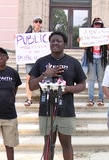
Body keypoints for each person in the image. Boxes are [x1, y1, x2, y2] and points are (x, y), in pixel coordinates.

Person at [29, 31, 86, 160]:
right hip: (46, 110)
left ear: (64, 44)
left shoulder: (73, 62)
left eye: (58, 41)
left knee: (66, 145)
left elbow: (82, 85)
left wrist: (67, 89)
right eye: (52, 41)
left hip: (66, 111)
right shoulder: (41, 62)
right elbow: (31, 85)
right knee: (48, 144)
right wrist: (45, 74)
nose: (55, 43)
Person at [80, 17, 109, 107]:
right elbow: (84, 48)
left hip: (101, 59)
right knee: (91, 80)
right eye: (96, 24)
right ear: (93, 25)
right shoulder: (89, 35)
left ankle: (101, 99)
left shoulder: (104, 34)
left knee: (101, 80)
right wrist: (82, 41)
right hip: (91, 59)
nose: (97, 26)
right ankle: (90, 99)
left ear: (101, 26)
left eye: (99, 24)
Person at [24, 16, 43, 106]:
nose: (38, 23)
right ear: (33, 23)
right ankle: (29, 99)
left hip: (39, 60)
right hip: (29, 59)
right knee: (28, 78)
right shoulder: (27, 34)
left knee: (42, 78)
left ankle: (43, 98)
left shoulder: (44, 35)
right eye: (36, 21)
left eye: (40, 22)